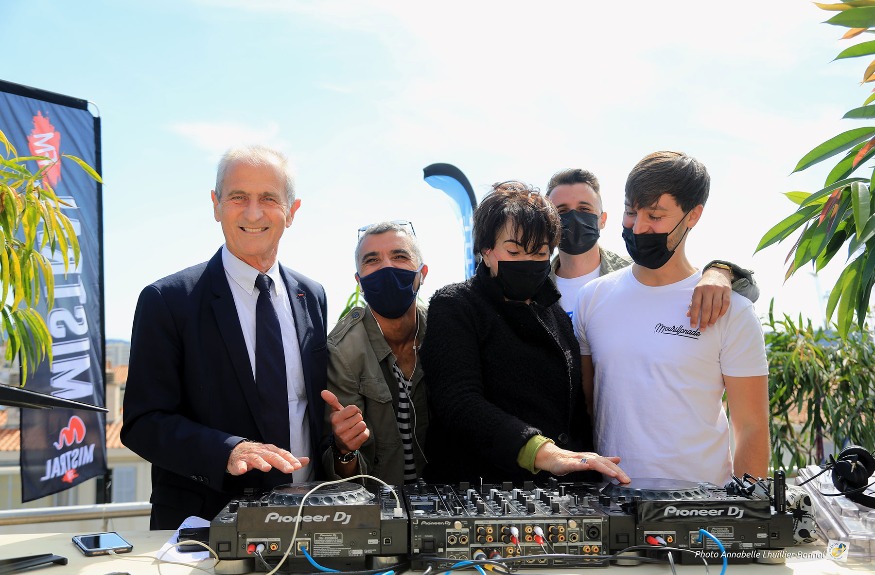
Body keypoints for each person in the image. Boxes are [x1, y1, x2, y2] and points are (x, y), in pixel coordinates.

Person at [121, 145, 328, 529]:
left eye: (268, 198)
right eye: (238, 197)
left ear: (292, 212)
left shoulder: (312, 296)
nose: (253, 213)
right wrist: (227, 451)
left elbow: (307, 408)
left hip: (308, 521)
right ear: (216, 205)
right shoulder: (167, 300)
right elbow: (143, 423)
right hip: (205, 528)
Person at [575, 151, 770, 486]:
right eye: (630, 211)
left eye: (655, 215)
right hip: (611, 504)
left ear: (693, 215)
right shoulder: (592, 298)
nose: (638, 227)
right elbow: (587, 407)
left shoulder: (731, 310)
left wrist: (745, 508)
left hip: (702, 506)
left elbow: (751, 427)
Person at [421, 181, 630, 485]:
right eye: (514, 251)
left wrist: (585, 472)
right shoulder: (456, 305)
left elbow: (575, 413)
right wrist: (541, 451)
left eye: (539, 252)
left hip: (560, 494)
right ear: (486, 251)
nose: (527, 263)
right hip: (481, 489)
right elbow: (459, 402)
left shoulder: (554, 313)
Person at [546, 168, 759, 324]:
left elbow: (747, 293)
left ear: (603, 219)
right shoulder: (535, 284)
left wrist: (721, 272)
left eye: (584, 209)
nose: (574, 218)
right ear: (549, 221)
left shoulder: (637, 272)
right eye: (562, 211)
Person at [320, 221, 428, 486]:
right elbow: (348, 478)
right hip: (381, 501)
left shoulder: (447, 331)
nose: (386, 267)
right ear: (359, 282)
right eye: (372, 260)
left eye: (399, 256)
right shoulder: (343, 351)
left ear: (422, 273)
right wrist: (344, 449)